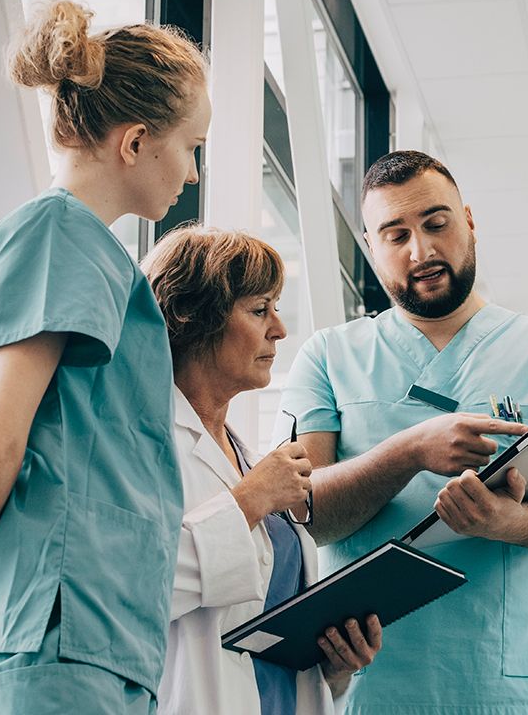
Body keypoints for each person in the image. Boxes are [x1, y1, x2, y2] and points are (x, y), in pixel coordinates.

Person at [0, 1, 209, 714]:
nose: (192, 174)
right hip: (54, 636)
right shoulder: (60, 236)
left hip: (91, 640)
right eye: (192, 147)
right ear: (136, 142)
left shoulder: (91, 254)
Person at [279, 150, 528, 713]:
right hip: (378, 682)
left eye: (436, 224)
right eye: (396, 235)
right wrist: (409, 450)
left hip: (518, 685)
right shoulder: (328, 358)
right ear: (371, 249)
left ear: (469, 223)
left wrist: (511, 520)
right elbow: (303, 513)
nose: (422, 251)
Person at [142, 225, 383, 714]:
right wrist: (250, 501)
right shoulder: (142, 446)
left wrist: (333, 667)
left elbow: (269, 640)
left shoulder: (246, 456)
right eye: (259, 310)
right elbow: (128, 589)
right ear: (194, 318)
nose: (280, 328)